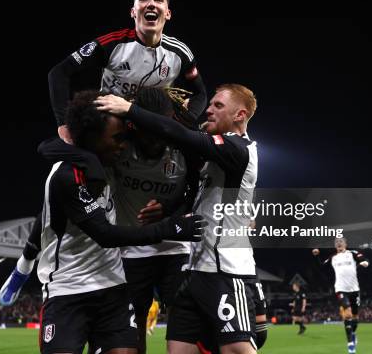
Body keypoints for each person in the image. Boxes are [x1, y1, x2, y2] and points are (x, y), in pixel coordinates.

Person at [1, 90, 205, 353]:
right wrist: (172, 227)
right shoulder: (68, 174)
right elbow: (105, 234)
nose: (123, 145)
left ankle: (25, 263)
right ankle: (24, 264)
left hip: (113, 285)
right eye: (117, 139)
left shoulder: (113, 155)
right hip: (68, 289)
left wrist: (169, 207)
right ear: (92, 138)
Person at [96, 83, 259, 354]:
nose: (208, 110)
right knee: (179, 350)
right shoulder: (214, 159)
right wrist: (167, 206)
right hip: (194, 269)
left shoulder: (240, 150)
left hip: (224, 270)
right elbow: (194, 196)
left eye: (218, 106)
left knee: (237, 349)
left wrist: (130, 109)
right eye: (210, 104)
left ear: (239, 115)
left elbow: (182, 135)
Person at [49, 0, 207, 143]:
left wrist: (186, 119)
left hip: (152, 132)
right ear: (133, 11)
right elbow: (59, 72)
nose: (151, 4)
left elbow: (200, 93)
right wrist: (63, 124)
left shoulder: (180, 53)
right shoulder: (111, 44)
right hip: (112, 130)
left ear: (167, 13)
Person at [112, 87, 197, 354]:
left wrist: (169, 209)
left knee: (185, 320)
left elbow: (195, 193)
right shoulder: (118, 146)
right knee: (132, 330)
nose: (153, 139)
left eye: (158, 129)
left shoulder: (186, 147)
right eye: (146, 131)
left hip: (176, 248)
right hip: (131, 251)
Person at [313, 238, 369, 354]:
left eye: (341, 242)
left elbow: (363, 259)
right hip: (340, 289)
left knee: (355, 317)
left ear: (345, 244)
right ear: (335, 246)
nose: (339, 243)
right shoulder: (333, 257)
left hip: (354, 289)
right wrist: (316, 256)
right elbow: (321, 266)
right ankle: (350, 344)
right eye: (337, 243)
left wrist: (364, 263)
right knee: (347, 314)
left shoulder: (352, 253)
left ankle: (353, 333)